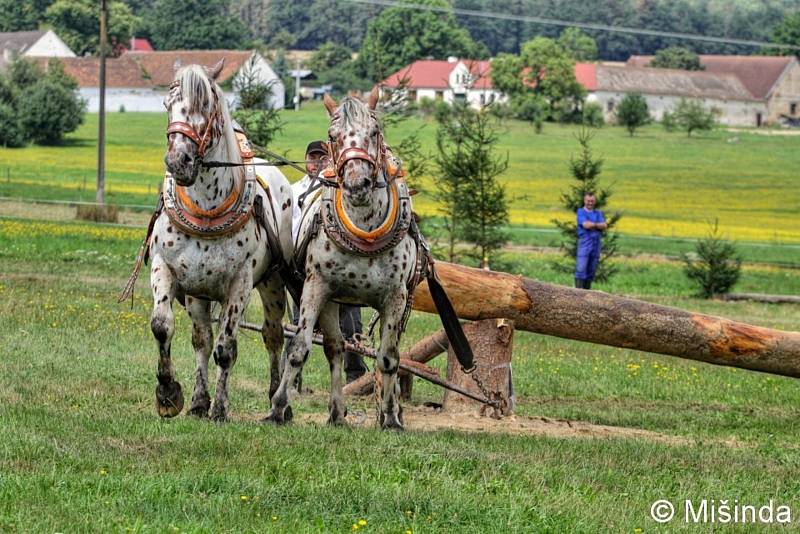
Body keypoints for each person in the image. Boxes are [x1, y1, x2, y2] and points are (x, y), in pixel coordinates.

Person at [290, 141, 368, 385]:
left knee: (351, 322)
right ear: (305, 160)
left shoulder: (340, 190)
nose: (317, 163)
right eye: (313, 158)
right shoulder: (293, 191)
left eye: (323, 158)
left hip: (344, 267)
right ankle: (293, 378)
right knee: (298, 322)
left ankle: (356, 376)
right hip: (304, 265)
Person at [575, 192, 607, 289]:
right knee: (581, 268)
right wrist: (598, 225)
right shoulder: (580, 212)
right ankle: (578, 294)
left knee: (591, 270)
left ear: (595, 201)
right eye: (588, 201)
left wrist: (592, 225)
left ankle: (588, 294)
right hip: (585, 243)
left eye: (592, 201)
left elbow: (605, 225)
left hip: (596, 244)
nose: (590, 203)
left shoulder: (598, 213)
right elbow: (585, 225)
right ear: (584, 201)